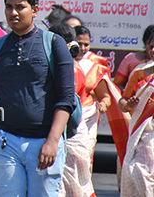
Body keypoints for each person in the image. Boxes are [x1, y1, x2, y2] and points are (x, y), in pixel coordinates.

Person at [0, 0, 75, 196]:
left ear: (35, 10)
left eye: (20, 7)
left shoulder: (54, 44)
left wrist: (51, 142)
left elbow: (66, 99)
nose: (13, 12)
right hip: (6, 142)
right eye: (8, 6)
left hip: (44, 142)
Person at [55, 25, 111, 197]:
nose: (83, 48)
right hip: (62, 122)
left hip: (81, 125)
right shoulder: (58, 64)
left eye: (86, 44)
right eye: (79, 43)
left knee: (81, 168)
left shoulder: (91, 67)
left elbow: (105, 96)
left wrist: (103, 104)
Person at [118, 70, 154, 195]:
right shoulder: (141, 74)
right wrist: (128, 106)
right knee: (140, 172)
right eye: (151, 48)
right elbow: (123, 100)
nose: (153, 50)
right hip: (142, 133)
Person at [114, 25, 154, 91]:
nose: (152, 50)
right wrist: (129, 93)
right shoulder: (131, 59)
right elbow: (117, 84)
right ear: (144, 42)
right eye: (151, 46)